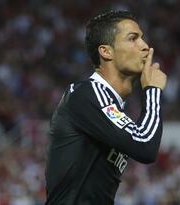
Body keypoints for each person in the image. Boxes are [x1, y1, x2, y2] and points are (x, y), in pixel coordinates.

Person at [45, 10, 167, 204]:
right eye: (133, 38)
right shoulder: (86, 94)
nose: (145, 46)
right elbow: (145, 146)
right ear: (106, 51)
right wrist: (153, 91)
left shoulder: (108, 105)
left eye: (142, 39)